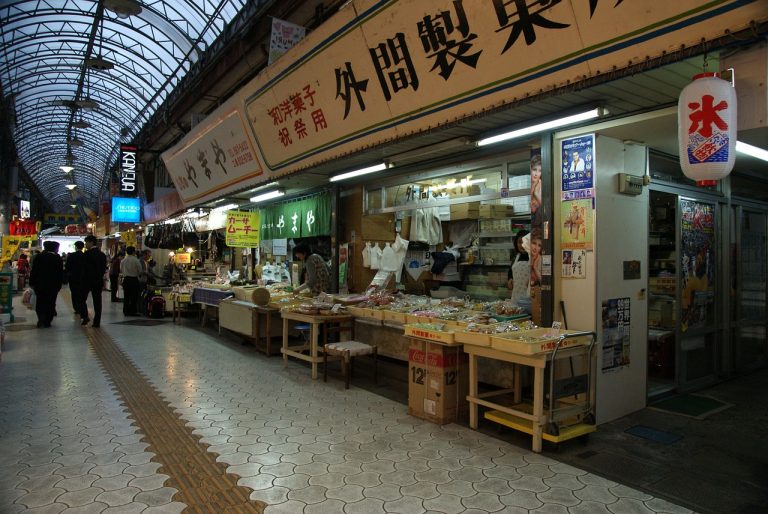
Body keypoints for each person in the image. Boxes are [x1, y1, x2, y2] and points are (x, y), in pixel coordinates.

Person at [29, 240, 63, 328]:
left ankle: (41, 319)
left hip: (39, 285)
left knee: (40, 302)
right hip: (53, 286)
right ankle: (48, 321)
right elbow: (60, 273)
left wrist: (32, 282)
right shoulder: (57, 258)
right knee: (51, 303)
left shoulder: (39, 257)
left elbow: (34, 271)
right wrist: (59, 285)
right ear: (55, 248)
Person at [82, 235, 108, 327]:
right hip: (98, 281)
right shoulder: (102, 255)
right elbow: (103, 268)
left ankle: (85, 316)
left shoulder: (86, 254)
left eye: (86, 243)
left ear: (91, 242)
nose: (85, 245)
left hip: (87, 281)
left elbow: (84, 269)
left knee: (81, 299)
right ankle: (97, 322)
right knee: (97, 302)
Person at [507, 230, 530, 312]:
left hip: (529, 298)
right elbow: (510, 274)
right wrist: (510, 280)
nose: (522, 245)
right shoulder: (515, 258)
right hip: (515, 297)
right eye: (519, 242)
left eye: (525, 242)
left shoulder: (534, 257)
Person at [65, 240, 88, 323]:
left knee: (74, 293)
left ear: (75, 247)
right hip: (83, 278)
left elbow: (67, 267)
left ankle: (77, 308)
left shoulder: (71, 256)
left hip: (73, 278)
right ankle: (81, 308)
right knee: (81, 294)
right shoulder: (85, 255)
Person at [120, 246, 142, 316]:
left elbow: (121, 270)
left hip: (126, 280)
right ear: (133, 252)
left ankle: (125, 311)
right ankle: (133, 311)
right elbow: (140, 271)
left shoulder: (123, 260)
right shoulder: (136, 260)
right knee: (134, 297)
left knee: (126, 296)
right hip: (134, 280)